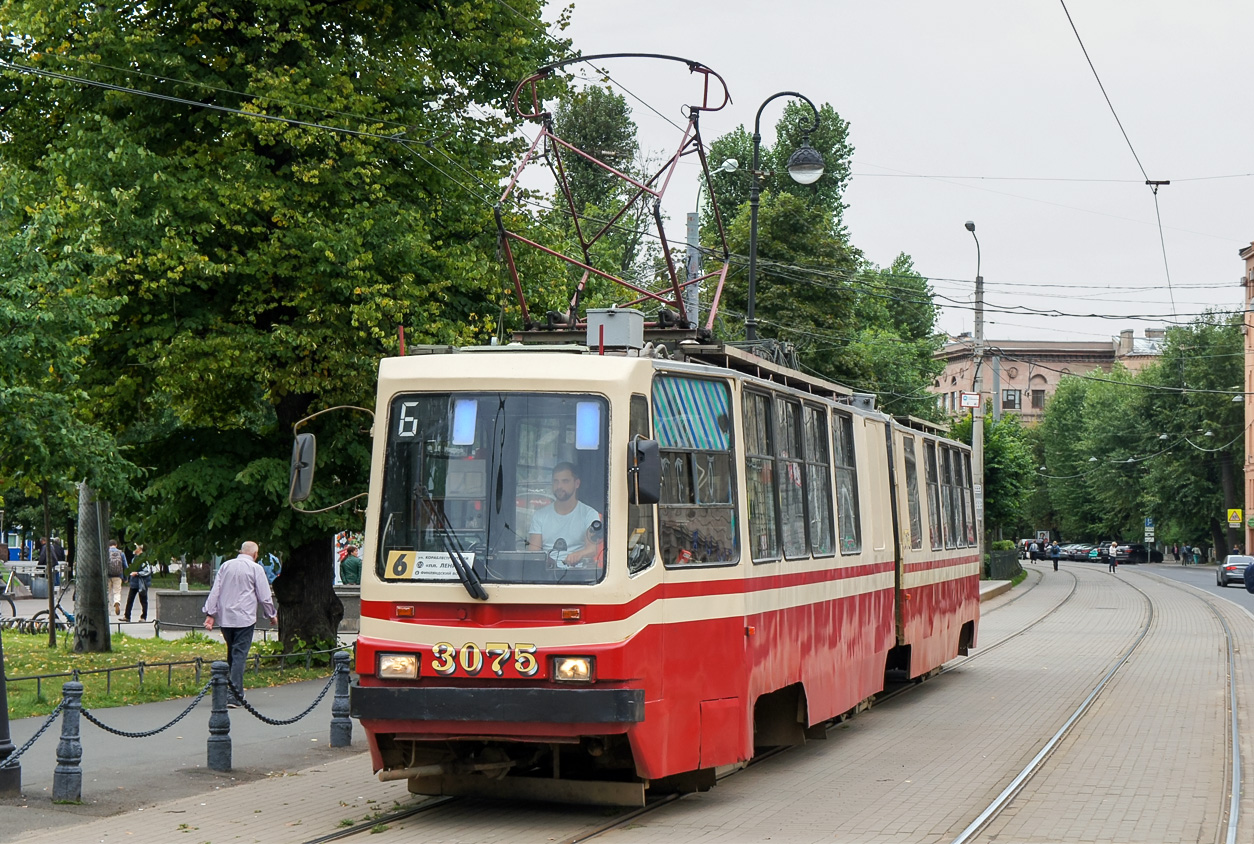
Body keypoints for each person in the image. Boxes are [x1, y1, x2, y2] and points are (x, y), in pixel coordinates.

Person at [202, 541, 277, 707]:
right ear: (255, 554)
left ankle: (229, 689)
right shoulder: (256, 569)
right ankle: (235, 695)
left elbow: (215, 590)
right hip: (245, 618)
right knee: (239, 655)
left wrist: (210, 614)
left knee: (232, 653)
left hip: (226, 617)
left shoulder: (225, 566)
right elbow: (264, 596)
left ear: (241, 551)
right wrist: (271, 615)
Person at [527, 462, 602, 567]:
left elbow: (592, 549)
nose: (559, 486)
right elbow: (534, 552)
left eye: (565, 481)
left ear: (577, 484)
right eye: (556, 481)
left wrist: (578, 555)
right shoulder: (539, 515)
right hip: (546, 573)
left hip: (579, 573)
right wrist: (547, 561)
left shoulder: (589, 514)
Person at [123, 545, 152, 622]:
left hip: (142, 583)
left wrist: (138, 573)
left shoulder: (144, 559)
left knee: (143, 600)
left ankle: (143, 617)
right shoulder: (134, 558)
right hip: (134, 582)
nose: (133, 549)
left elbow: (147, 571)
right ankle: (127, 616)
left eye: (135, 547)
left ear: (139, 549)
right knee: (130, 599)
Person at [107, 540, 126, 616]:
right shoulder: (121, 553)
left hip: (108, 576)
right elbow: (125, 565)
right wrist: (126, 577)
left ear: (109, 545)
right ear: (116, 545)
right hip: (118, 575)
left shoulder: (106, 553)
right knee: (117, 591)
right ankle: (117, 602)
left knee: (108, 592)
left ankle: (108, 610)